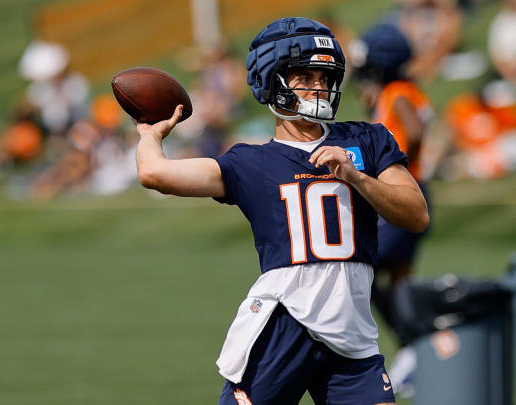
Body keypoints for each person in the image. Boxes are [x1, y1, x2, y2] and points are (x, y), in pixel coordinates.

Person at [133, 17, 430, 405]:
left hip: (353, 334)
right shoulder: (251, 162)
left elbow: (416, 214)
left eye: (325, 77)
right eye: (305, 76)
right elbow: (155, 174)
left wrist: (357, 178)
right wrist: (150, 134)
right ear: (272, 81)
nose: (319, 86)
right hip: (283, 323)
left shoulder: (367, 139)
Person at [350, 23, 433, 397]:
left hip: (403, 192)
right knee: (399, 280)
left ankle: (414, 344)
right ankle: (415, 352)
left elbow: (413, 132)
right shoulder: (402, 89)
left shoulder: (397, 91)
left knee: (362, 267)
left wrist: (402, 168)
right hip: (414, 191)